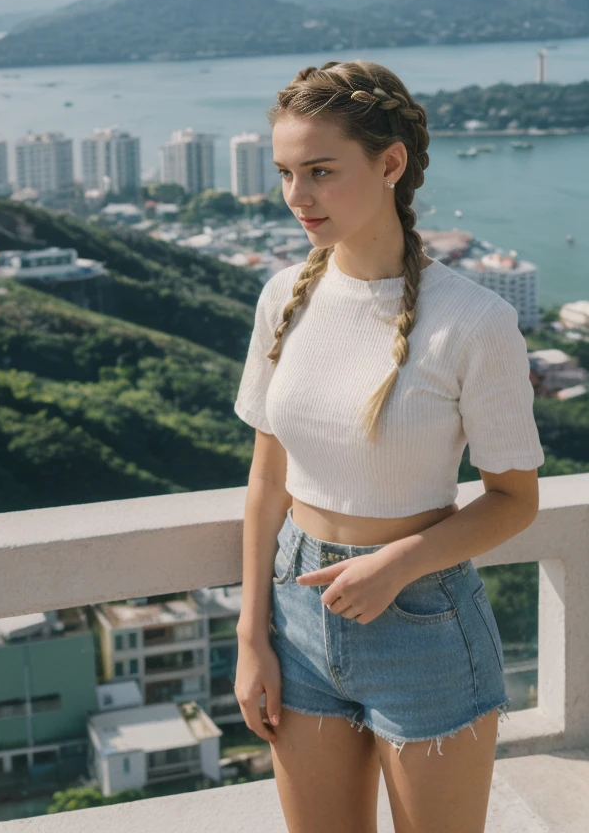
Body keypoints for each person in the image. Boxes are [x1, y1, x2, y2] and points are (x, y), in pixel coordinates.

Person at [232, 60, 544, 833]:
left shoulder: (472, 321)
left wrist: (395, 565)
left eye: (321, 172)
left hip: (424, 622)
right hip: (297, 616)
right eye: (285, 174)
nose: (296, 197)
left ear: (391, 164)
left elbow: (515, 500)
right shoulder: (282, 297)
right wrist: (251, 637)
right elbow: (267, 482)